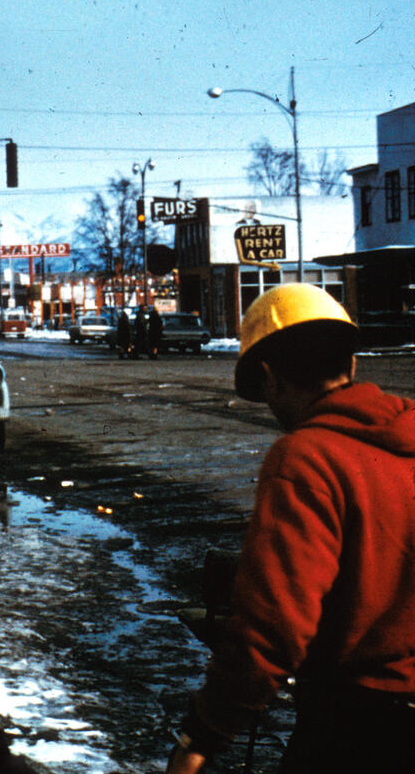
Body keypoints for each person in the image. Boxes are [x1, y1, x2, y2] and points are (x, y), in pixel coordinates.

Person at [167, 284, 415, 774]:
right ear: (352, 365)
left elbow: (274, 625)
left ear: (268, 377)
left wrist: (204, 733)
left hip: (362, 730)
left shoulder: (306, 457)